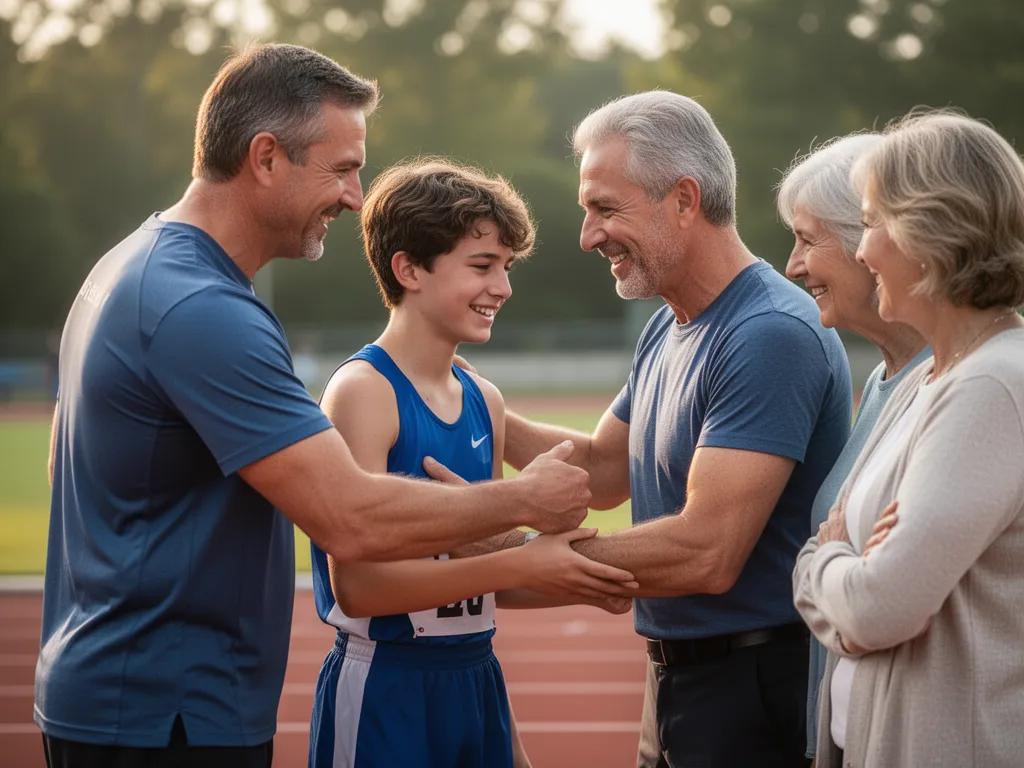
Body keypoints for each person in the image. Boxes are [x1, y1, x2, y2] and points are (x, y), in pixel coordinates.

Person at [36, 44, 594, 768]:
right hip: (166, 711)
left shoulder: (128, 266)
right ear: (266, 157)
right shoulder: (204, 308)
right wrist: (522, 503)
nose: (357, 197)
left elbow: (63, 466)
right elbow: (349, 520)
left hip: (126, 696)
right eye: (342, 168)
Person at [437, 90, 853, 766]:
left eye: (606, 208)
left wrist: (514, 551)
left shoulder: (767, 332)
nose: (588, 235)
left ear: (684, 200)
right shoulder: (671, 321)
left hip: (752, 688)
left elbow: (706, 551)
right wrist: (461, 396)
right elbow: (602, 470)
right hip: (679, 680)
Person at [308, 158, 635, 768]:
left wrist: (577, 582)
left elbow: (482, 583)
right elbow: (360, 586)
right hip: (387, 685)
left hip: (477, 677)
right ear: (408, 269)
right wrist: (523, 557)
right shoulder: (364, 392)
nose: (503, 288)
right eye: (482, 266)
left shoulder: (485, 401)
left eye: (506, 268)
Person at [793, 110, 1024, 767]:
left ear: (927, 229)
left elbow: (878, 609)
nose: (862, 252)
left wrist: (822, 564)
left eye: (869, 224)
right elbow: (866, 589)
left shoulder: (992, 388)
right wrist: (848, 565)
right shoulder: (930, 378)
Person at [776, 133, 930, 761]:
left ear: (877, 241)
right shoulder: (883, 376)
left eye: (809, 239)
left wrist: (819, 563)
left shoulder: (960, 382)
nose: (791, 265)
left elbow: (879, 600)